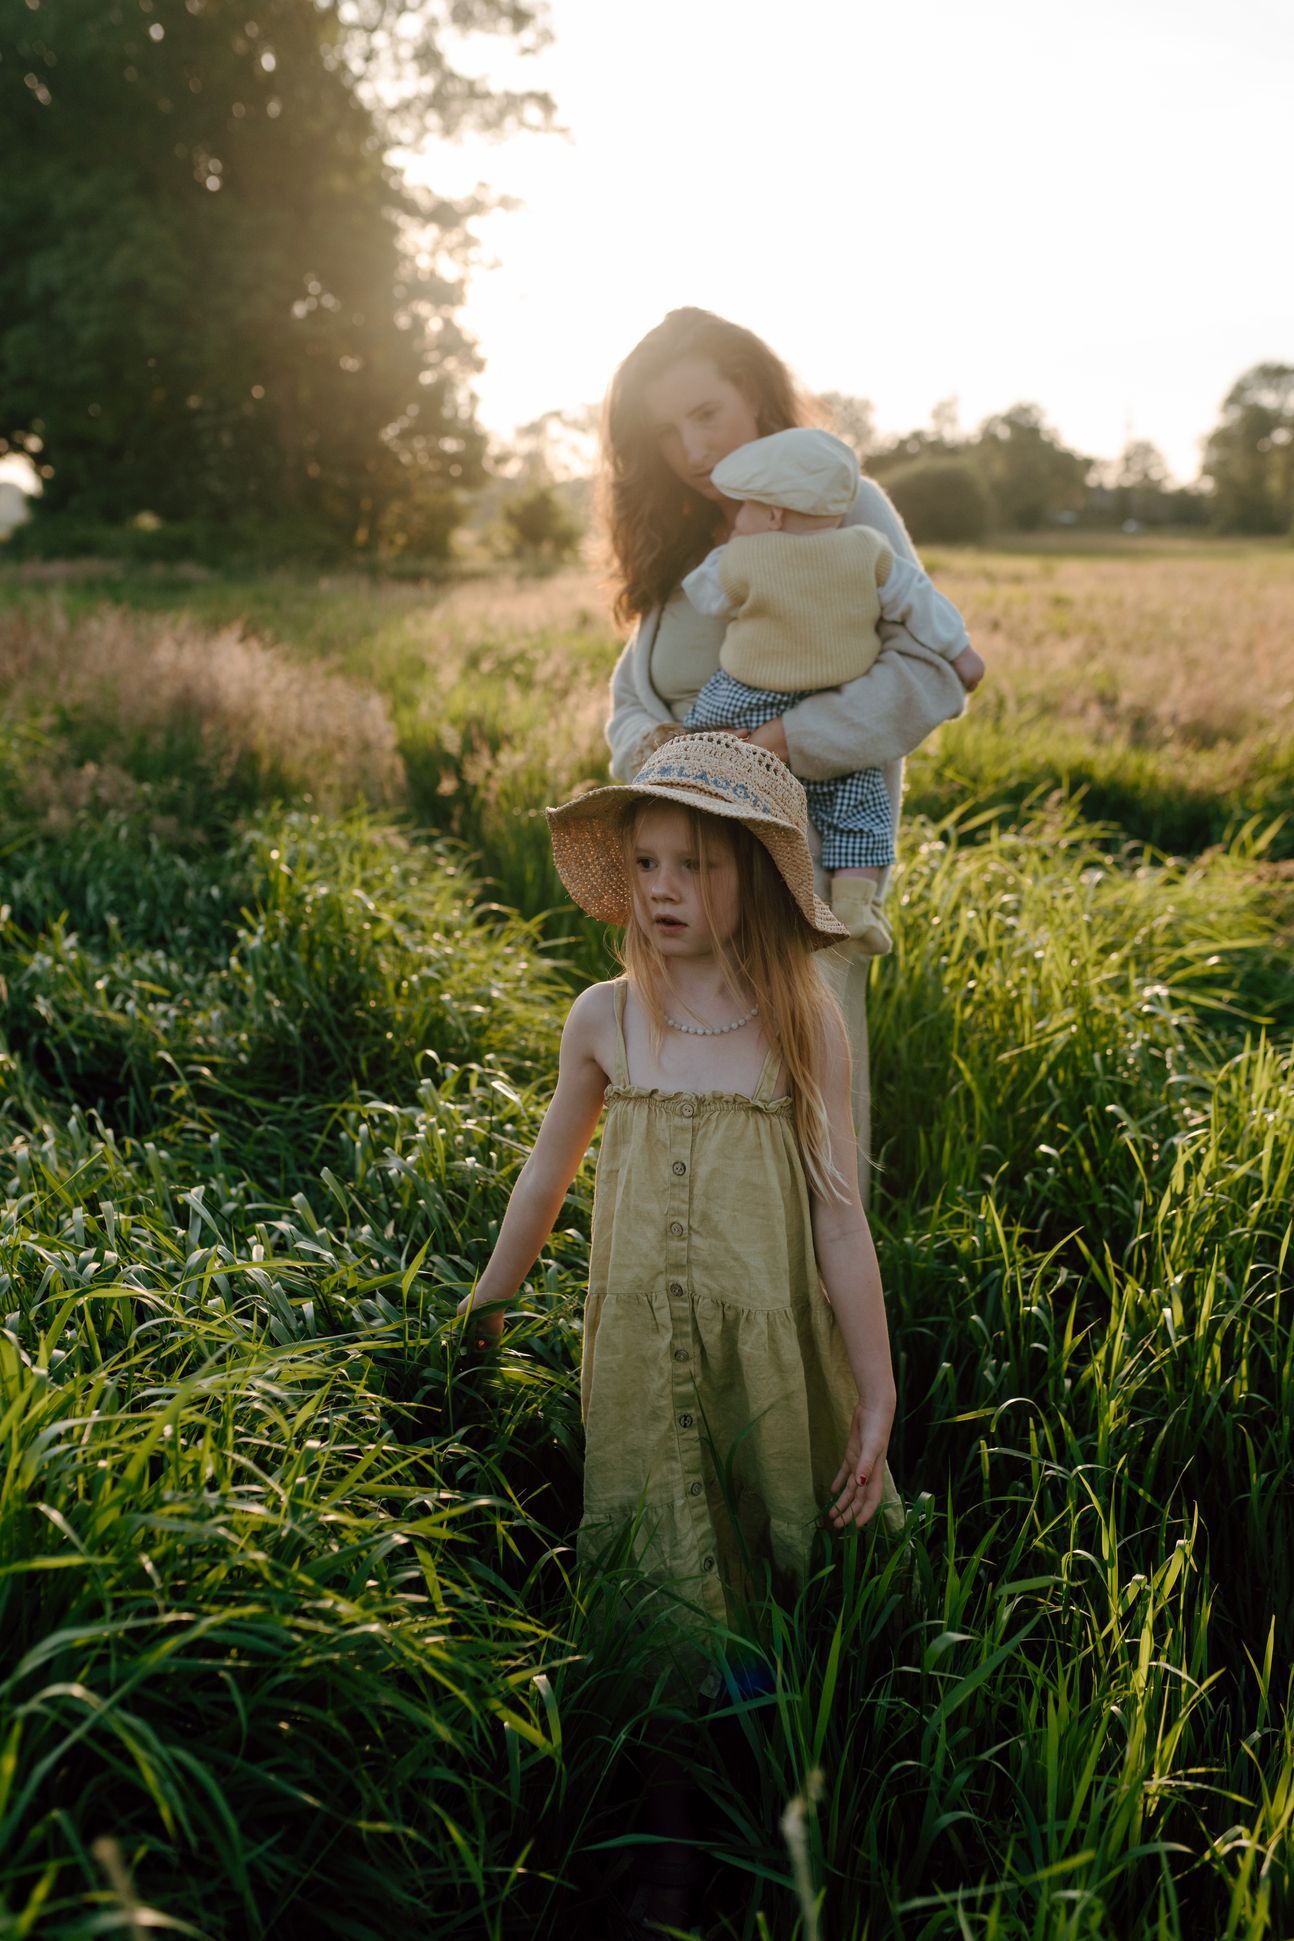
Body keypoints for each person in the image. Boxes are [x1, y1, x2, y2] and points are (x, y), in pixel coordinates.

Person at [456, 733, 902, 1926]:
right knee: (654, 1560)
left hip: (766, 1349)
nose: (662, 889)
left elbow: (839, 1220)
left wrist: (877, 1393)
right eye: (647, 863)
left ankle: (764, 1777)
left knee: (756, 1549)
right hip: (641, 1356)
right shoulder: (606, 1019)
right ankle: (668, 1820)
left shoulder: (802, 1022)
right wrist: (484, 1310)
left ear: (752, 875)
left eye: (693, 867)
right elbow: (542, 1182)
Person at [601, 307, 979, 1201]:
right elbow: (629, 693)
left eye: (706, 413)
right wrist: (657, 754)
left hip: (810, 850)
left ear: (759, 398)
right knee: (691, 1085)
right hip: (686, 854)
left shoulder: (840, 503)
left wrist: (777, 747)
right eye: (664, 431)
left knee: (807, 1090)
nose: (689, 450)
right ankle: (702, 1293)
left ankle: (822, 1314)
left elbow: (931, 670)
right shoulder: (684, 531)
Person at [681, 425, 984, 954]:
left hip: (747, 694)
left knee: (702, 735)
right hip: (832, 701)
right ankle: (854, 907)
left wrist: (724, 557)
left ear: (772, 514)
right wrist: (962, 651)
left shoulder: (746, 557)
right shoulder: (869, 549)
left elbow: (705, 598)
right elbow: (919, 599)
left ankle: (687, 793)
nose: (740, 521)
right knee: (861, 803)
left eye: (745, 509)